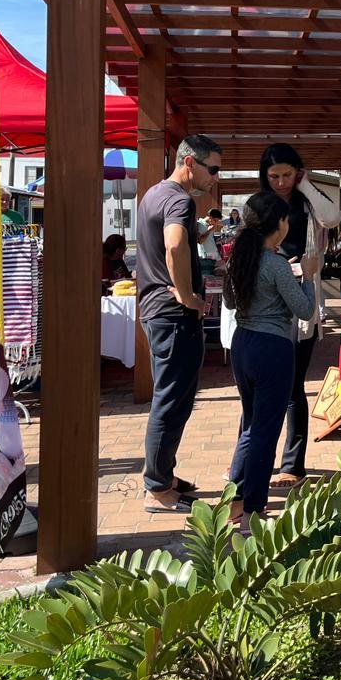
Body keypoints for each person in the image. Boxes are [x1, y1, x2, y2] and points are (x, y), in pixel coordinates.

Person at [136, 134, 222, 513]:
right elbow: (174, 244)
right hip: (173, 315)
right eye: (212, 169)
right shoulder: (179, 200)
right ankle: (157, 488)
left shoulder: (154, 194)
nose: (215, 178)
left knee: (171, 397)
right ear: (189, 163)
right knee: (171, 400)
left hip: (159, 312)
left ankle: (162, 475)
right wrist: (187, 296)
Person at [222, 191, 316, 524]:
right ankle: (252, 508)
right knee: (265, 430)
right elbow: (304, 309)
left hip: (242, 343)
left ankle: (235, 500)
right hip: (272, 347)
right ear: (278, 223)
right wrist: (307, 276)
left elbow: (230, 302)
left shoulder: (239, 258)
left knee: (251, 426)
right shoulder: (276, 264)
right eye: (286, 219)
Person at [257, 143, 340, 488]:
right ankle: (251, 462)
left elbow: (332, 218)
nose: (280, 182)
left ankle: (293, 464)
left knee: (293, 386)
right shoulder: (259, 205)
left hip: (301, 302)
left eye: (287, 175)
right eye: (273, 176)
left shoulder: (307, 202)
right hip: (265, 305)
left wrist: (306, 184)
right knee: (261, 388)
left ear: (298, 172)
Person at [197, 208, 225, 275]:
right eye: (215, 220)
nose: (215, 223)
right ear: (210, 217)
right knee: (207, 275)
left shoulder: (210, 224)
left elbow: (209, 239)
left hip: (213, 254)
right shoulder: (200, 224)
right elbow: (200, 241)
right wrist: (209, 230)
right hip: (206, 256)